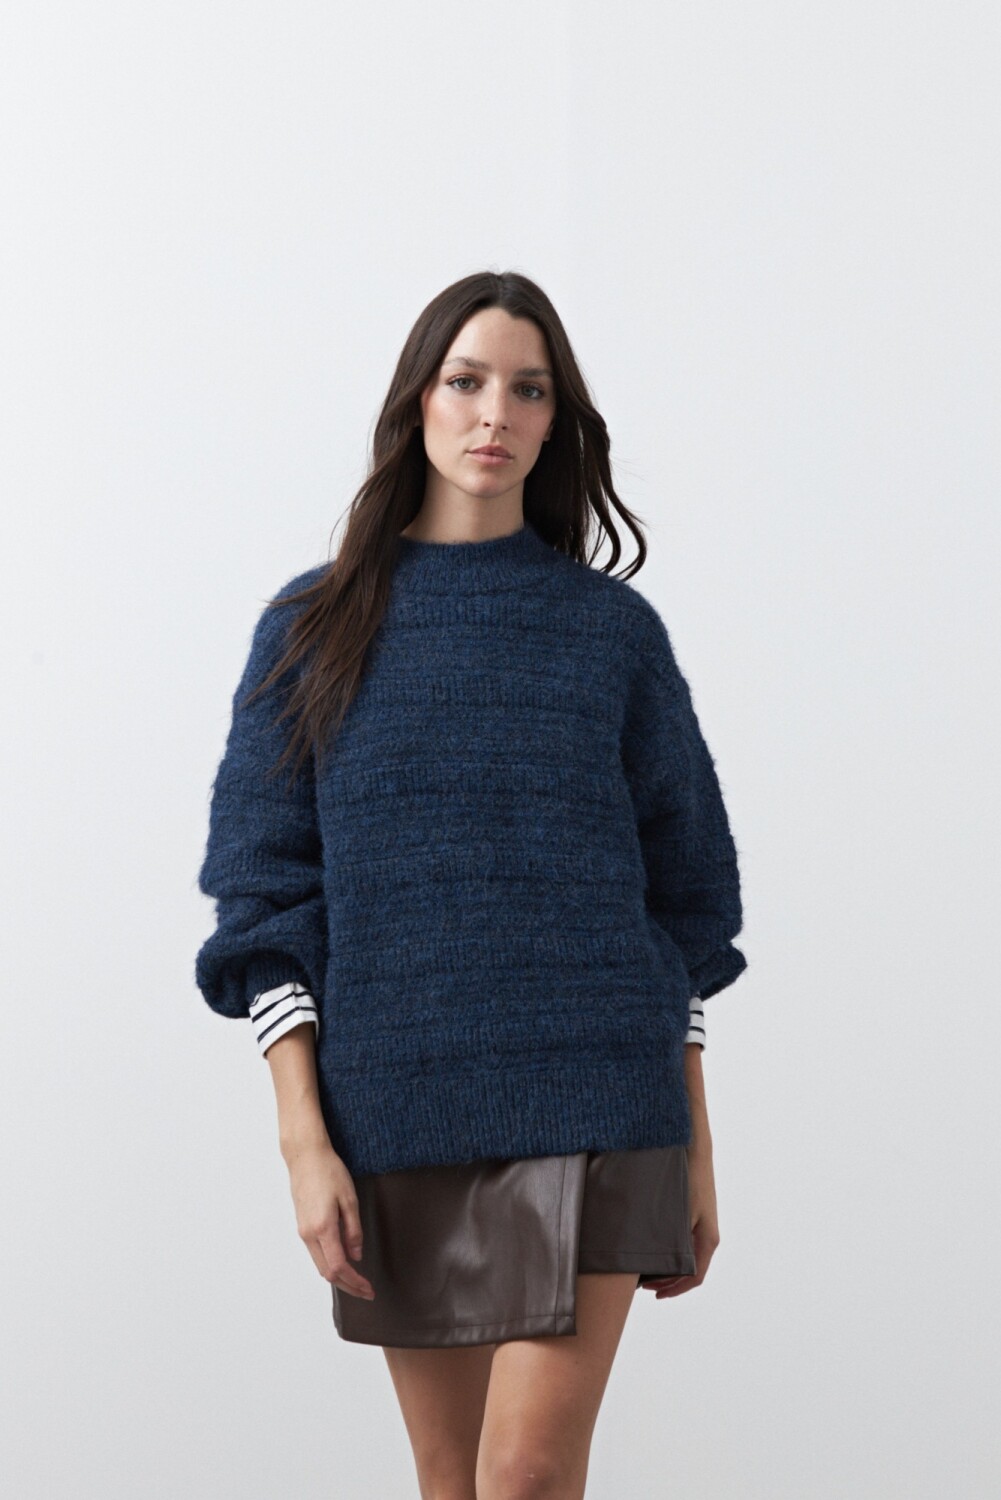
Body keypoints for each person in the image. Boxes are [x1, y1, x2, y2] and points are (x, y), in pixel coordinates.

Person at [195, 269, 747, 1499]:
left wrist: (697, 1145)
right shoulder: (312, 627)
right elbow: (263, 901)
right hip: (400, 1106)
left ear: (556, 423)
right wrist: (302, 1142)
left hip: (602, 1092)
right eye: (466, 380)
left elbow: (685, 905)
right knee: (452, 1485)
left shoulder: (610, 633)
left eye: (528, 389)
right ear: (418, 402)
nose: (495, 411)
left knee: (527, 1473)